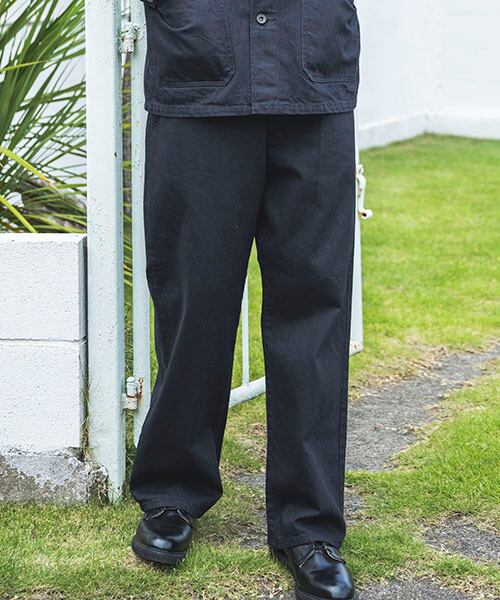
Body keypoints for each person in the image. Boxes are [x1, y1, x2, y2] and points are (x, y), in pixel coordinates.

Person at [130, 1, 360, 599]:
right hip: (199, 68)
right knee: (193, 302)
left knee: (315, 308)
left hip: (312, 75)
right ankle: (172, 492)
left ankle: (309, 526)